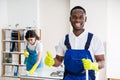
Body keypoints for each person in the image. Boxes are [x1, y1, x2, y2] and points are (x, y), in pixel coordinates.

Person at [44, 6, 105, 80]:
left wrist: (93, 65)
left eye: (81, 17)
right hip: (68, 77)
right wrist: (52, 61)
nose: (77, 20)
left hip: (87, 77)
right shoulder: (64, 39)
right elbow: (58, 61)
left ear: (85, 19)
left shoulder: (95, 40)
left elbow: (102, 62)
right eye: (74, 17)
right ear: (70, 19)